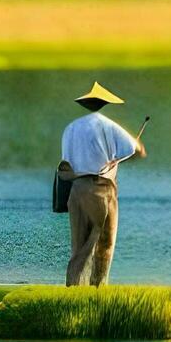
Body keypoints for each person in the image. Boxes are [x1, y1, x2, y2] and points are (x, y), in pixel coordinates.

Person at [60, 81, 145, 286]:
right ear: (104, 103)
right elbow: (135, 150)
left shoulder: (71, 128)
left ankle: (73, 291)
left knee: (79, 246)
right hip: (101, 189)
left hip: (76, 190)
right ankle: (97, 290)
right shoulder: (107, 125)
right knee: (103, 244)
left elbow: (65, 163)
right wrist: (129, 152)